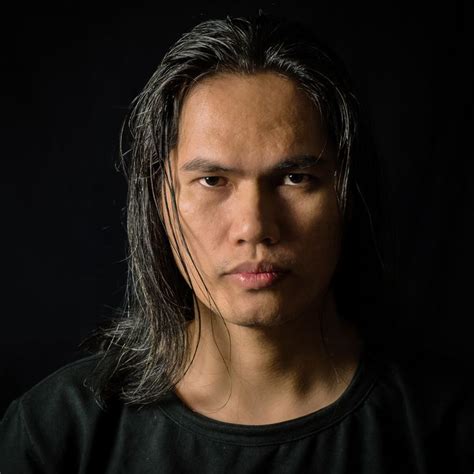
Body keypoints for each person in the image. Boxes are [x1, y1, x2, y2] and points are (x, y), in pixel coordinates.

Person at [0, 13, 472, 473]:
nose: (254, 226)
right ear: (161, 200)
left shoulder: (446, 428)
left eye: (295, 177)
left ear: (347, 194)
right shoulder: (54, 435)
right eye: (212, 180)